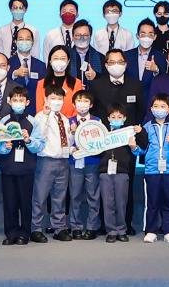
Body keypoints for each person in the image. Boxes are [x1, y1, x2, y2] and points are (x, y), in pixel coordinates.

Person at [135, 94, 169, 243]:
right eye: (156, 106)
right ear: (151, 109)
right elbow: (142, 149)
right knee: (152, 201)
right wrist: (133, 147)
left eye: (163, 106)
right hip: (152, 170)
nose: (159, 109)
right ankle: (151, 230)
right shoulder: (146, 127)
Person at [27, 86, 73, 242]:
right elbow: (40, 134)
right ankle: (36, 228)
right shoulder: (40, 116)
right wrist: (46, 115)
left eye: (60, 98)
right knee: (40, 196)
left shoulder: (65, 119)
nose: (57, 101)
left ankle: (59, 228)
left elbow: (67, 140)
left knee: (60, 197)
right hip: (46, 161)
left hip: (63, 161)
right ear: (46, 99)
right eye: (53, 98)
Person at [0, 88, 38, 245]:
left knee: (25, 202)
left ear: (27, 102)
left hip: (27, 168)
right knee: (10, 202)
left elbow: (40, 145)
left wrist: (29, 140)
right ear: (9, 101)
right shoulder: (3, 121)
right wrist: (5, 147)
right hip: (8, 168)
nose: (18, 103)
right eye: (15, 100)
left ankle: (25, 233)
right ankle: (11, 233)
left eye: (21, 100)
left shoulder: (34, 121)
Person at [66, 91, 103, 240]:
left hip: (92, 162)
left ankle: (92, 227)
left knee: (93, 196)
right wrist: (72, 141)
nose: (82, 104)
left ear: (91, 104)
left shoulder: (97, 121)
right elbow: (64, 142)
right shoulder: (68, 121)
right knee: (75, 195)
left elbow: (101, 142)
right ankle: (75, 226)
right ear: (74, 104)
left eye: (86, 101)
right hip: (74, 162)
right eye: (79, 101)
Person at [98, 108, 137, 243]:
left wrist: (133, 146)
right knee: (107, 202)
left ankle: (121, 230)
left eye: (119, 117)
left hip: (122, 172)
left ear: (124, 119)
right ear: (108, 118)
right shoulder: (102, 133)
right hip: (105, 172)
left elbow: (138, 152)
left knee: (121, 202)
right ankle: (111, 231)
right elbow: (95, 150)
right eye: (113, 117)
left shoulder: (128, 134)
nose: (116, 119)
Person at [8, 27, 47, 110]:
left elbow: (44, 89)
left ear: (32, 42)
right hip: (13, 110)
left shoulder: (41, 65)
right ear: (15, 42)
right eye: (21, 39)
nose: (24, 42)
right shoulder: (8, 63)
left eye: (28, 39)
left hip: (35, 109)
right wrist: (14, 74)